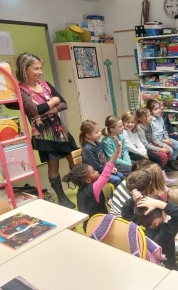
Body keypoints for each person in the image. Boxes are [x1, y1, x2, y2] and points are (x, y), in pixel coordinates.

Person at [15, 53, 77, 208]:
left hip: (59, 129)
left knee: (75, 158)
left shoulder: (45, 84)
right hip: (43, 134)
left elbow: (65, 104)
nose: (39, 72)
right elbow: (36, 109)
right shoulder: (21, 90)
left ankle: (82, 185)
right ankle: (61, 197)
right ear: (25, 68)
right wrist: (53, 101)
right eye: (35, 68)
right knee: (53, 166)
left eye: (40, 68)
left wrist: (52, 108)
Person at [62, 136, 121, 232]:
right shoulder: (94, 188)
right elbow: (107, 171)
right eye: (94, 172)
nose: (97, 172)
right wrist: (117, 150)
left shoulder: (80, 192)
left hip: (88, 227)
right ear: (88, 180)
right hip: (99, 227)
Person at [122, 111, 177, 186]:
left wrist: (144, 152)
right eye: (128, 122)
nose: (130, 124)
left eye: (132, 122)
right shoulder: (124, 132)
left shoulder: (133, 130)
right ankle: (155, 183)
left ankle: (163, 178)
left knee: (157, 157)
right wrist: (142, 154)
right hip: (130, 153)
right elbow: (129, 146)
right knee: (147, 162)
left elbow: (138, 142)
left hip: (139, 150)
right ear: (123, 122)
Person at [135, 195, 178, 270]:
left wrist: (136, 202)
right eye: (163, 212)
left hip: (148, 268)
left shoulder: (136, 228)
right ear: (156, 221)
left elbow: (125, 213)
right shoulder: (166, 232)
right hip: (168, 268)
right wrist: (158, 203)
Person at [80, 120, 124, 189]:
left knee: (121, 176)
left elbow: (104, 159)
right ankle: (113, 198)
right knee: (116, 180)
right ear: (88, 135)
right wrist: (108, 169)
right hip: (95, 173)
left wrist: (111, 167)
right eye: (96, 132)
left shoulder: (98, 143)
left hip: (103, 170)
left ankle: (119, 195)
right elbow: (95, 166)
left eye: (99, 131)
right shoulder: (87, 149)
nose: (100, 133)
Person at [136, 108, 176, 173]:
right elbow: (146, 145)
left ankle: (162, 169)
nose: (150, 118)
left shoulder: (148, 125)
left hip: (151, 144)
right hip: (145, 148)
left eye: (150, 115)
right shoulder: (140, 129)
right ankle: (159, 173)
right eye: (148, 116)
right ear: (141, 119)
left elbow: (154, 138)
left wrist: (162, 145)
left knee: (168, 151)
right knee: (163, 155)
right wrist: (160, 149)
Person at [146, 100, 178, 171]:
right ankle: (165, 164)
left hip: (164, 138)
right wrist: (164, 141)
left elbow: (164, 130)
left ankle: (171, 161)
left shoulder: (161, 118)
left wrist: (167, 139)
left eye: (159, 108)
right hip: (157, 140)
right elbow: (154, 136)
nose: (159, 110)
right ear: (150, 111)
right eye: (155, 109)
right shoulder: (150, 121)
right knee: (170, 150)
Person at [159, 100, 178, 168]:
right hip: (165, 135)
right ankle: (175, 159)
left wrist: (173, 131)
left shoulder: (164, 114)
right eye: (160, 106)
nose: (162, 107)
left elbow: (169, 124)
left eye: (162, 105)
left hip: (168, 133)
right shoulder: (158, 117)